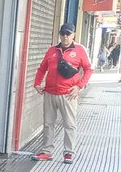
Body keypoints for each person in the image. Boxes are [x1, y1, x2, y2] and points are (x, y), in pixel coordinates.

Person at [33, 23, 92, 163]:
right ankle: (47, 151)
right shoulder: (52, 50)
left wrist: (79, 87)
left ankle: (69, 153)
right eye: (63, 33)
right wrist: (37, 83)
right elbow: (42, 68)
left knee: (70, 124)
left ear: (73, 35)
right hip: (50, 93)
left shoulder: (79, 50)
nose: (65, 36)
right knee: (48, 123)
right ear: (59, 34)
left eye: (68, 33)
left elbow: (89, 69)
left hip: (68, 94)